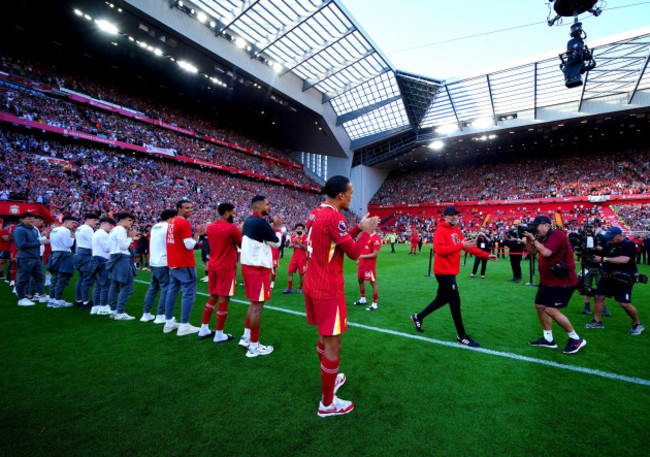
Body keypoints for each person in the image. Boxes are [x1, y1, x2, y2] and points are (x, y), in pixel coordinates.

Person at [304, 175, 379, 417]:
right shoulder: (334, 216)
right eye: (350, 192)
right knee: (333, 343)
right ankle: (327, 403)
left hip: (313, 284)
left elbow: (336, 241)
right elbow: (354, 253)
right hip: (328, 288)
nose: (352, 196)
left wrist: (358, 227)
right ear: (340, 196)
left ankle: (330, 379)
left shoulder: (316, 212)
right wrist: (366, 232)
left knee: (325, 338)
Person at [410, 206, 497, 347]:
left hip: (451, 272)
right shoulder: (440, 230)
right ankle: (461, 335)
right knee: (455, 300)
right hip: (443, 272)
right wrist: (459, 246)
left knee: (442, 299)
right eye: (452, 215)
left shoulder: (456, 231)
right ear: (445, 217)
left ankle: (418, 317)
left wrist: (486, 255)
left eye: (457, 215)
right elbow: (439, 250)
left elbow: (468, 247)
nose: (455, 217)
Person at [524, 216, 586, 354]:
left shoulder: (557, 234)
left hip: (562, 281)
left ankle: (576, 338)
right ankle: (548, 339)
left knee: (551, 310)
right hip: (547, 280)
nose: (535, 229)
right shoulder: (542, 237)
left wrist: (533, 239)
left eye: (536, 226)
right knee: (540, 306)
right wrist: (529, 239)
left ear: (546, 225)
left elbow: (546, 253)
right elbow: (531, 252)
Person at [239, 195, 283, 357]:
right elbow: (276, 243)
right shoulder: (259, 221)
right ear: (258, 207)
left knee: (253, 304)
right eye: (266, 204)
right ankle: (254, 346)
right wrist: (278, 227)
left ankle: (246, 337)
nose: (268, 206)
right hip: (257, 269)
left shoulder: (249, 220)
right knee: (257, 307)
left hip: (248, 266)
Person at [585, 226, 644, 335]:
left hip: (623, 277)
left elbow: (624, 259)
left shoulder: (629, 245)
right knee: (598, 297)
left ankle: (637, 324)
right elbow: (602, 252)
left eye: (612, 237)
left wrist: (603, 259)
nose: (610, 239)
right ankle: (597, 321)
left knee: (624, 304)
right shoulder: (608, 244)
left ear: (620, 236)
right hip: (608, 276)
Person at [199, 202, 242, 343]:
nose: (234, 215)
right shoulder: (231, 228)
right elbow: (241, 244)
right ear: (226, 213)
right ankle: (219, 334)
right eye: (233, 212)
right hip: (226, 267)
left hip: (213, 265)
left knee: (213, 297)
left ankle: (204, 328)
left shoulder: (210, 227)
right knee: (224, 299)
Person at [164, 200, 206, 336]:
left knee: (172, 291)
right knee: (188, 293)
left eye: (191, 207)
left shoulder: (172, 222)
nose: (190, 210)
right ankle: (184, 325)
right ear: (179, 209)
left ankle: (169, 322)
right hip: (184, 262)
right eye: (187, 208)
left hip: (173, 262)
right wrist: (198, 234)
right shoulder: (183, 223)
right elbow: (189, 245)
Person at [140, 209, 176, 323]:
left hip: (154, 261)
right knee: (166, 288)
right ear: (172, 217)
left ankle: (146, 313)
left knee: (153, 287)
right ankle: (161, 315)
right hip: (163, 261)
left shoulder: (156, 226)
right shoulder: (168, 228)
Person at [107, 213, 140, 320]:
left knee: (115, 285)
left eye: (131, 221)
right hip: (121, 258)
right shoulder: (120, 230)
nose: (131, 223)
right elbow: (123, 246)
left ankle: (113, 310)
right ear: (121, 220)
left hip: (114, 257)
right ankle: (120, 312)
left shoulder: (114, 230)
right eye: (129, 220)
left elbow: (108, 248)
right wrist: (130, 238)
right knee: (127, 286)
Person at [13, 213, 47, 306]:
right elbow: (21, 245)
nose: (32, 220)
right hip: (25, 257)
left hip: (35, 257)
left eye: (32, 219)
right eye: (29, 219)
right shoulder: (19, 230)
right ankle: (22, 298)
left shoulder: (33, 229)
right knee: (23, 278)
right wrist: (39, 242)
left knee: (39, 277)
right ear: (22, 219)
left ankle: (42, 295)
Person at [47, 216, 79, 308]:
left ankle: (52, 299)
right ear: (66, 222)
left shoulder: (55, 230)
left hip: (55, 254)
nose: (74, 225)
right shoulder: (66, 231)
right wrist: (73, 238)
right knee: (62, 277)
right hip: (64, 255)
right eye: (73, 223)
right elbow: (68, 244)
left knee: (56, 278)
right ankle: (58, 299)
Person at [89, 217, 115, 316]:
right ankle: (103, 306)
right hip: (103, 259)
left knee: (98, 284)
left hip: (96, 259)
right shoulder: (102, 234)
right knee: (105, 284)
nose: (111, 227)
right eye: (110, 224)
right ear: (103, 223)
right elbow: (107, 248)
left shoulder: (96, 233)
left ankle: (96, 306)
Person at [74, 213, 99, 309]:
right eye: (94, 220)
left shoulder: (79, 228)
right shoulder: (88, 229)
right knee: (87, 279)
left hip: (80, 253)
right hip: (86, 253)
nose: (96, 222)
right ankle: (85, 302)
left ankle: (79, 300)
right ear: (88, 219)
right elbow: (93, 242)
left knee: (80, 279)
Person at [353, 228, 382, 311]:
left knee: (373, 283)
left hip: (369, 265)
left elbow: (375, 254)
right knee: (360, 280)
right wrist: (359, 260)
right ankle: (363, 299)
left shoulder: (376, 238)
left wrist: (361, 257)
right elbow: (363, 249)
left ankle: (374, 304)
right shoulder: (367, 236)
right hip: (362, 263)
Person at [282, 223, 308, 294]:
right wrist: (293, 244)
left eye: (301, 229)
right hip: (294, 258)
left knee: (301, 274)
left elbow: (306, 247)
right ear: (296, 229)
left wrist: (298, 242)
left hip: (302, 259)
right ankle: (290, 289)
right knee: (289, 272)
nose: (300, 230)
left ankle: (300, 288)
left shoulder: (305, 237)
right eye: (298, 229)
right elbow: (289, 246)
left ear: (303, 230)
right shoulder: (293, 236)